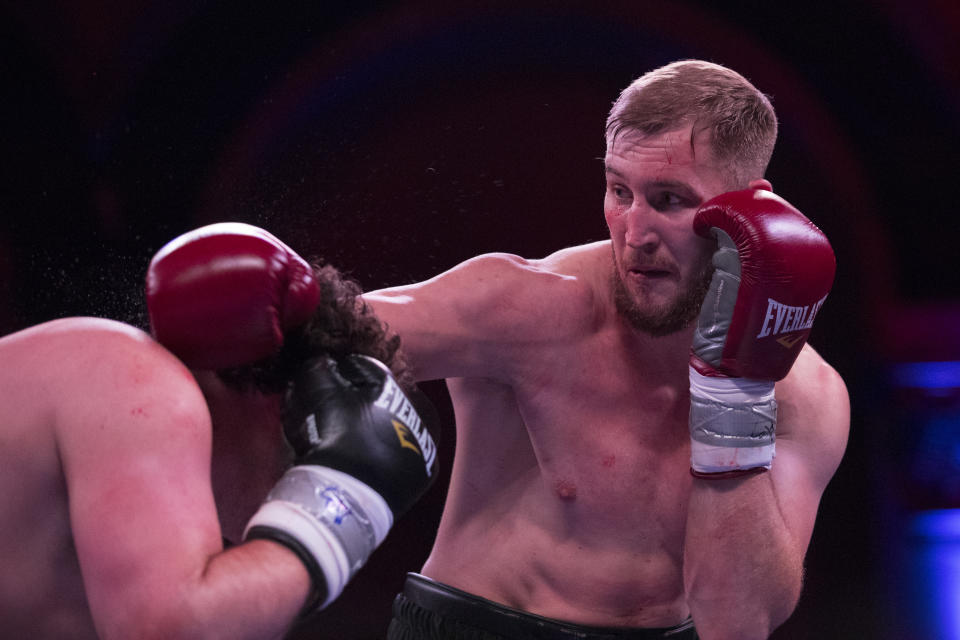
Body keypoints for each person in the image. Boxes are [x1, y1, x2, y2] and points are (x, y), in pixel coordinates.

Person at [364, 59, 850, 639]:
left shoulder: (804, 396)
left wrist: (733, 396)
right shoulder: (531, 308)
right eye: (620, 191)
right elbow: (318, 326)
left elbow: (736, 624)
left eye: (669, 199)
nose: (635, 232)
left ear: (749, 209)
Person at [0, 222, 437, 639]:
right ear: (282, 407)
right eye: (313, 455)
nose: (294, 495)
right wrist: (347, 490)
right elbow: (175, 631)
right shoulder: (140, 380)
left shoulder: (115, 539)